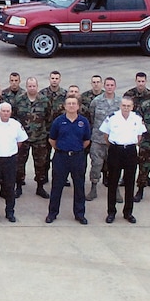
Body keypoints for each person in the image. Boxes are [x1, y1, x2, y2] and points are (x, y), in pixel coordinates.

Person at [46, 93, 92, 224]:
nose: (71, 106)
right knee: (57, 186)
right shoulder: (58, 121)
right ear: (64, 106)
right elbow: (52, 139)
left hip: (78, 157)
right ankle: (52, 213)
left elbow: (86, 140)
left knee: (79, 186)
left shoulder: (84, 122)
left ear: (78, 106)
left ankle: (79, 214)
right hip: (61, 157)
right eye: (69, 103)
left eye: (74, 103)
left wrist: (75, 149)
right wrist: (62, 149)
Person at [100, 94, 145, 224]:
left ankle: (128, 212)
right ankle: (111, 212)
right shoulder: (112, 118)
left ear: (132, 107)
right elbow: (106, 135)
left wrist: (129, 145)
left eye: (128, 106)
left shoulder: (137, 118)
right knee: (113, 182)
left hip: (130, 151)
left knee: (130, 183)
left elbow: (139, 137)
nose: (126, 108)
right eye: (124, 106)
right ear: (120, 106)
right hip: (115, 150)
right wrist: (116, 146)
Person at [87, 77, 121, 202]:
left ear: (115, 86)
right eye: (107, 85)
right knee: (96, 164)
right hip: (98, 139)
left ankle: (115, 189)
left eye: (112, 85)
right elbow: (92, 117)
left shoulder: (120, 102)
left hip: (114, 141)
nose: (109, 87)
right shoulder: (96, 101)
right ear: (104, 86)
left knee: (115, 166)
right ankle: (93, 188)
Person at [20, 76, 51, 198]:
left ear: (37, 87)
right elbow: (15, 118)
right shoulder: (19, 100)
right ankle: (18, 186)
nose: (32, 88)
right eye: (29, 86)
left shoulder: (44, 100)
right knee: (20, 163)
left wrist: (45, 133)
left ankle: (40, 187)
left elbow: (49, 118)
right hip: (24, 139)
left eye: (34, 86)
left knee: (41, 164)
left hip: (40, 138)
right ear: (26, 86)